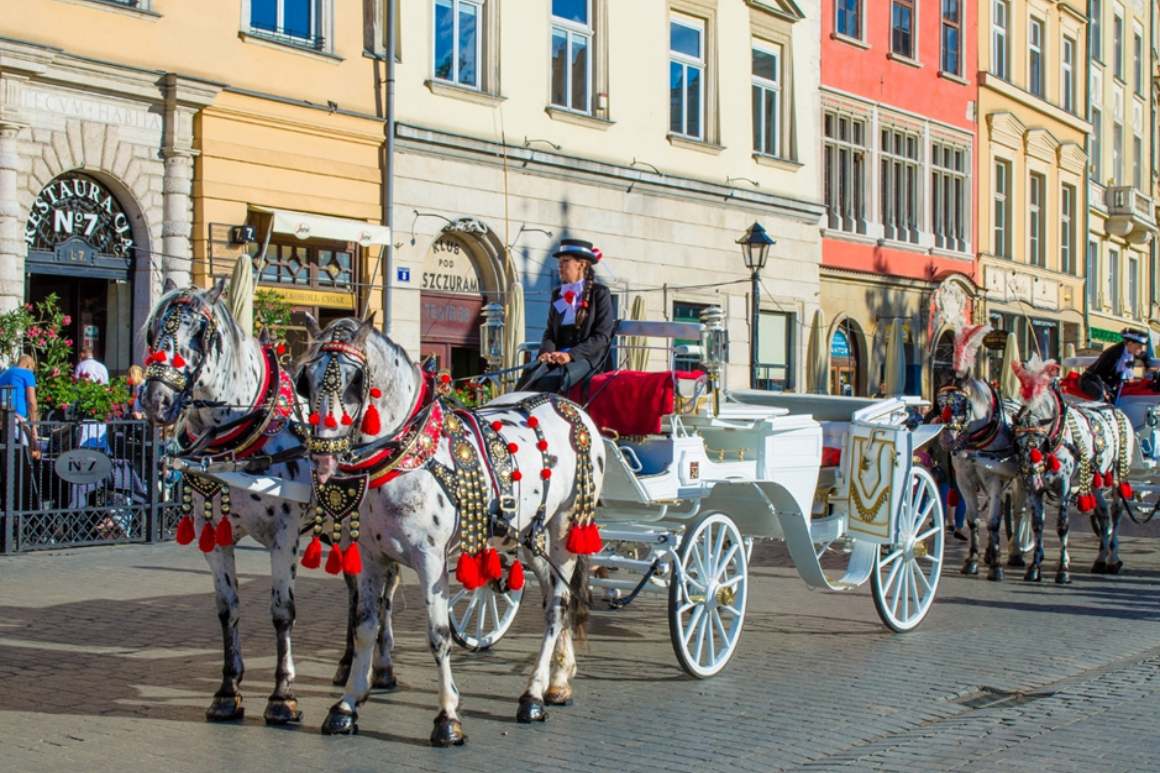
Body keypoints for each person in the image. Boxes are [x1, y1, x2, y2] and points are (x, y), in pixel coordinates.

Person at [518, 238, 615, 394]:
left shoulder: (600, 293)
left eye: (565, 261)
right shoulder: (558, 294)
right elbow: (550, 332)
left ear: (581, 265)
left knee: (551, 381)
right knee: (528, 378)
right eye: (559, 262)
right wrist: (546, 353)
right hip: (557, 357)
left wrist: (570, 355)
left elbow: (602, 337)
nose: (560, 266)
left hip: (586, 358)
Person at [1079, 327, 1157, 402]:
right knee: (1102, 396)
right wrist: (1105, 390)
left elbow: (1144, 356)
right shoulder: (1112, 354)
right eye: (1139, 346)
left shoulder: (1133, 350)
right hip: (1091, 380)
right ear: (1130, 343)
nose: (1141, 349)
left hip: (1111, 382)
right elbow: (1099, 373)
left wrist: (1148, 367)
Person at [0, 354, 41, 459]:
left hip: (4, 417)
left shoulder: (4, 374)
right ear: (29, 366)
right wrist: (34, 427)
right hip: (18, 419)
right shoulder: (27, 374)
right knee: (25, 454)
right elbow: (32, 401)